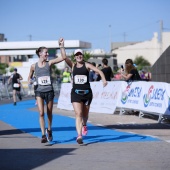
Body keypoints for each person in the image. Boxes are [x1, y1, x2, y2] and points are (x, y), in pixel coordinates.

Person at [59, 38, 108, 144]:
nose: (79, 56)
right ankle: (79, 135)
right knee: (78, 114)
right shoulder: (72, 65)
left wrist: (103, 79)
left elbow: (98, 70)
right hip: (76, 94)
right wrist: (62, 46)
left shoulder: (87, 65)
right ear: (75, 56)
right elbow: (64, 57)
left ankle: (84, 125)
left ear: (82, 55)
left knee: (85, 114)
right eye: (77, 55)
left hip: (87, 94)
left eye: (80, 54)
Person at [27, 42, 66, 143]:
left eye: (47, 53)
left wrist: (61, 46)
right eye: (46, 52)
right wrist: (30, 80)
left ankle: (49, 129)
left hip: (49, 91)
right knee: (41, 113)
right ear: (40, 53)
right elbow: (29, 76)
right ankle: (43, 135)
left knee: (49, 113)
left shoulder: (50, 63)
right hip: (39, 91)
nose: (47, 54)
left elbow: (63, 57)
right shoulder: (33, 66)